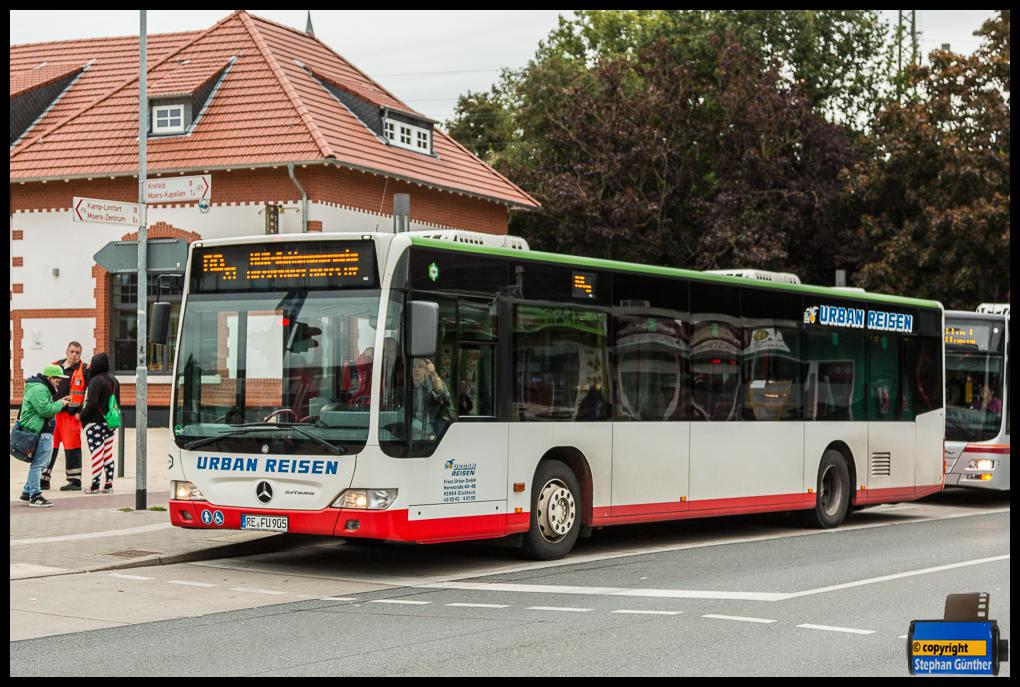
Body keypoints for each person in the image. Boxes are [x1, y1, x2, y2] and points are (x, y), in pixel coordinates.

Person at [18, 364, 71, 507]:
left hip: (42, 431)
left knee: (41, 463)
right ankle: (35, 496)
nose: (59, 382)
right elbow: (46, 411)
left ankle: (27, 490)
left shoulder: (40, 387)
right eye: (57, 380)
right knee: (39, 464)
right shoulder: (39, 389)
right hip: (40, 431)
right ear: (49, 378)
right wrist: (61, 403)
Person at [42, 341, 88, 491]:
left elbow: (89, 392)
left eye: (77, 353)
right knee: (49, 445)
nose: (74, 355)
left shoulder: (84, 369)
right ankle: (44, 478)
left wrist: (81, 413)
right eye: (72, 351)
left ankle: (74, 481)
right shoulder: (55, 366)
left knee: (72, 446)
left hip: (71, 414)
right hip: (53, 412)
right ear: (66, 351)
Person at [78, 352, 121, 494]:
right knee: (108, 453)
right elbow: (116, 403)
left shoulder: (96, 380)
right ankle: (109, 484)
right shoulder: (114, 380)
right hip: (110, 422)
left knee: (96, 453)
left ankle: (94, 486)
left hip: (95, 423)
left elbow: (92, 403)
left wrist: (81, 415)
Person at [409, 358, 455, 440]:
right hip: (409, 433)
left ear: (426, 372)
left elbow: (443, 395)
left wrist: (434, 374)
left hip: (429, 436)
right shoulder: (405, 389)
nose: (416, 369)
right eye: (414, 366)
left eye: (420, 366)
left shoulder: (431, 388)